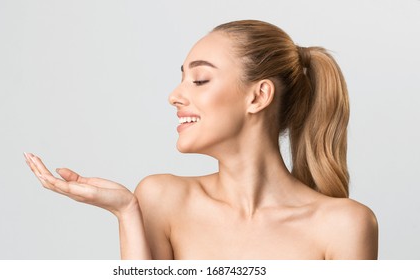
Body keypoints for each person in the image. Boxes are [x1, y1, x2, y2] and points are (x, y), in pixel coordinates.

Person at [24, 20, 378, 260]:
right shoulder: (162, 199)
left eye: (200, 80)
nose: (174, 96)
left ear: (258, 96)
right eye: (182, 79)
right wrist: (126, 212)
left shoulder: (345, 225)